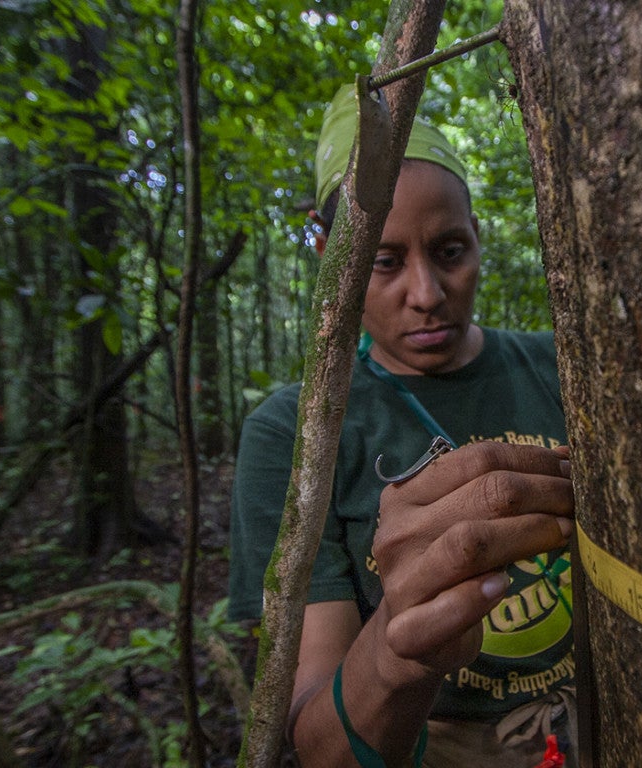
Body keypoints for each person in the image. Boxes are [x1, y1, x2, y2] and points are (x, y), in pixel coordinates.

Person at [228, 83, 577, 768]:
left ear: (478, 236)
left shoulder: (563, 369)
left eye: (449, 251)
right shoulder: (293, 437)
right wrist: (396, 650)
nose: (426, 294)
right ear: (330, 254)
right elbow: (319, 745)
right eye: (383, 262)